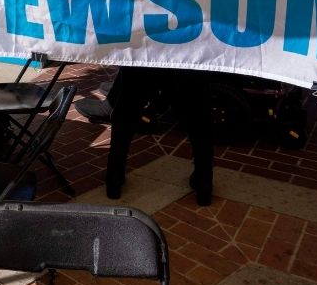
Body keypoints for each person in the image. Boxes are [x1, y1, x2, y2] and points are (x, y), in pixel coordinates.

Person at [78, 66, 216, 205]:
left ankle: (114, 178)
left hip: (147, 53)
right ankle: (204, 181)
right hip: (187, 55)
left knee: (128, 105)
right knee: (198, 113)